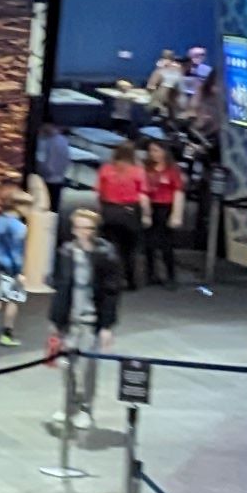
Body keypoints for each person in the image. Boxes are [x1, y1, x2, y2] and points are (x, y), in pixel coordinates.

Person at [50, 204, 129, 352]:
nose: (84, 232)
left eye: (89, 228)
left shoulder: (106, 255)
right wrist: (56, 320)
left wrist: (106, 326)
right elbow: (60, 288)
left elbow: (111, 292)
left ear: (95, 230)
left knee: (87, 360)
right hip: (69, 318)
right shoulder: (66, 253)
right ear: (73, 229)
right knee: (65, 360)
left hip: (91, 319)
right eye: (79, 228)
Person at [139, 139, 188, 287]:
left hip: (166, 208)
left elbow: (178, 192)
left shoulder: (172, 170)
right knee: (149, 244)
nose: (153, 154)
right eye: (151, 151)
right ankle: (150, 275)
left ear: (164, 152)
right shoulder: (146, 168)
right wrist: (145, 212)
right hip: (150, 206)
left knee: (166, 244)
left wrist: (176, 214)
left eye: (156, 150)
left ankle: (171, 276)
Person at [0, 190, 30, 333]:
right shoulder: (19, 227)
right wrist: (20, 272)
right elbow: (16, 252)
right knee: (14, 300)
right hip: (12, 269)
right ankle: (7, 333)